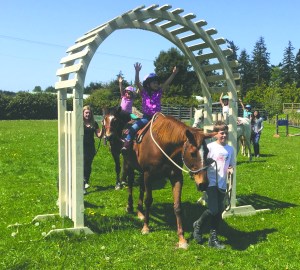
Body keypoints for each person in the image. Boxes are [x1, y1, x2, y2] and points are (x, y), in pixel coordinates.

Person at [193, 121, 235, 249]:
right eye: (222, 133)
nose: (224, 135)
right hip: (211, 182)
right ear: (216, 134)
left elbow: (230, 164)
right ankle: (198, 225)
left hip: (222, 184)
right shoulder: (209, 147)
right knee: (213, 209)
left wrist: (230, 169)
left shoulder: (230, 149)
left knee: (218, 212)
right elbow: (201, 164)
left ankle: (212, 239)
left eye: (226, 133)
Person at [121, 62, 179, 152]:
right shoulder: (144, 92)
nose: (156, 84)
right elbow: (137, 82)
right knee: (134, 127)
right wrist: (137, 72)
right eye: (154, 83)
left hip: (158, 117)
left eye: (157, 83)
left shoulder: (159, 92)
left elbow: (167, 83)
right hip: (147, 118)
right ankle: (127, 143)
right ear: (148, 84)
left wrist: (174, 74)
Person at [83, 105, 102, 194]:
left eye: (89, 113)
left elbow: (99, 135)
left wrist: (104, 128)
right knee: (82, 164)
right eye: (86, 113)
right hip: (81, 146)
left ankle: (86, 181)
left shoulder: (94, 123)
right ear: (83, 113)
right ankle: (82, 183)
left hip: (90, 147)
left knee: (88, 165)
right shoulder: (79, 122)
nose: (88, 114)